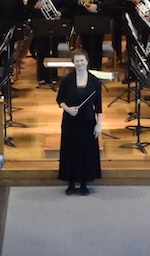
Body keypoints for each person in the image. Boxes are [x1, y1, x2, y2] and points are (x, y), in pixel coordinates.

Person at [56, 49, 102, 195]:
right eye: (77, 61)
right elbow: (59, 100)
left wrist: (99, 124)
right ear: (73, 63)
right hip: (70, 120)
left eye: (82, 60)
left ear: (87, 62)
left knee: (85, 152)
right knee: (70, 150)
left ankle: (83, 183)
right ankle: (70, 183)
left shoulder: (95, 82)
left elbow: (99, 106)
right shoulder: (67, 80)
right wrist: (68, 109)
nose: (80, 63)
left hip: (87, 121)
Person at [69, 0, 114, 70]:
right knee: (86, 46)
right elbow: (71, 2)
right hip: (84, 19)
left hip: (99, 19)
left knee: (97, 46)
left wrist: (97, 7)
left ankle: (97, 70)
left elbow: (111, 0)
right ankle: (86, 70)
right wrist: (78, 2)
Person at [28, 0, 67, 85]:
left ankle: (53, 76)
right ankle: (42, 76)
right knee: (42, 49)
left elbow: (66, 4)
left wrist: (61, 12)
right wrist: (35, 7)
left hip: (55, 23)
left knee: (53, 49)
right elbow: (29, 7)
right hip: (41, 23)